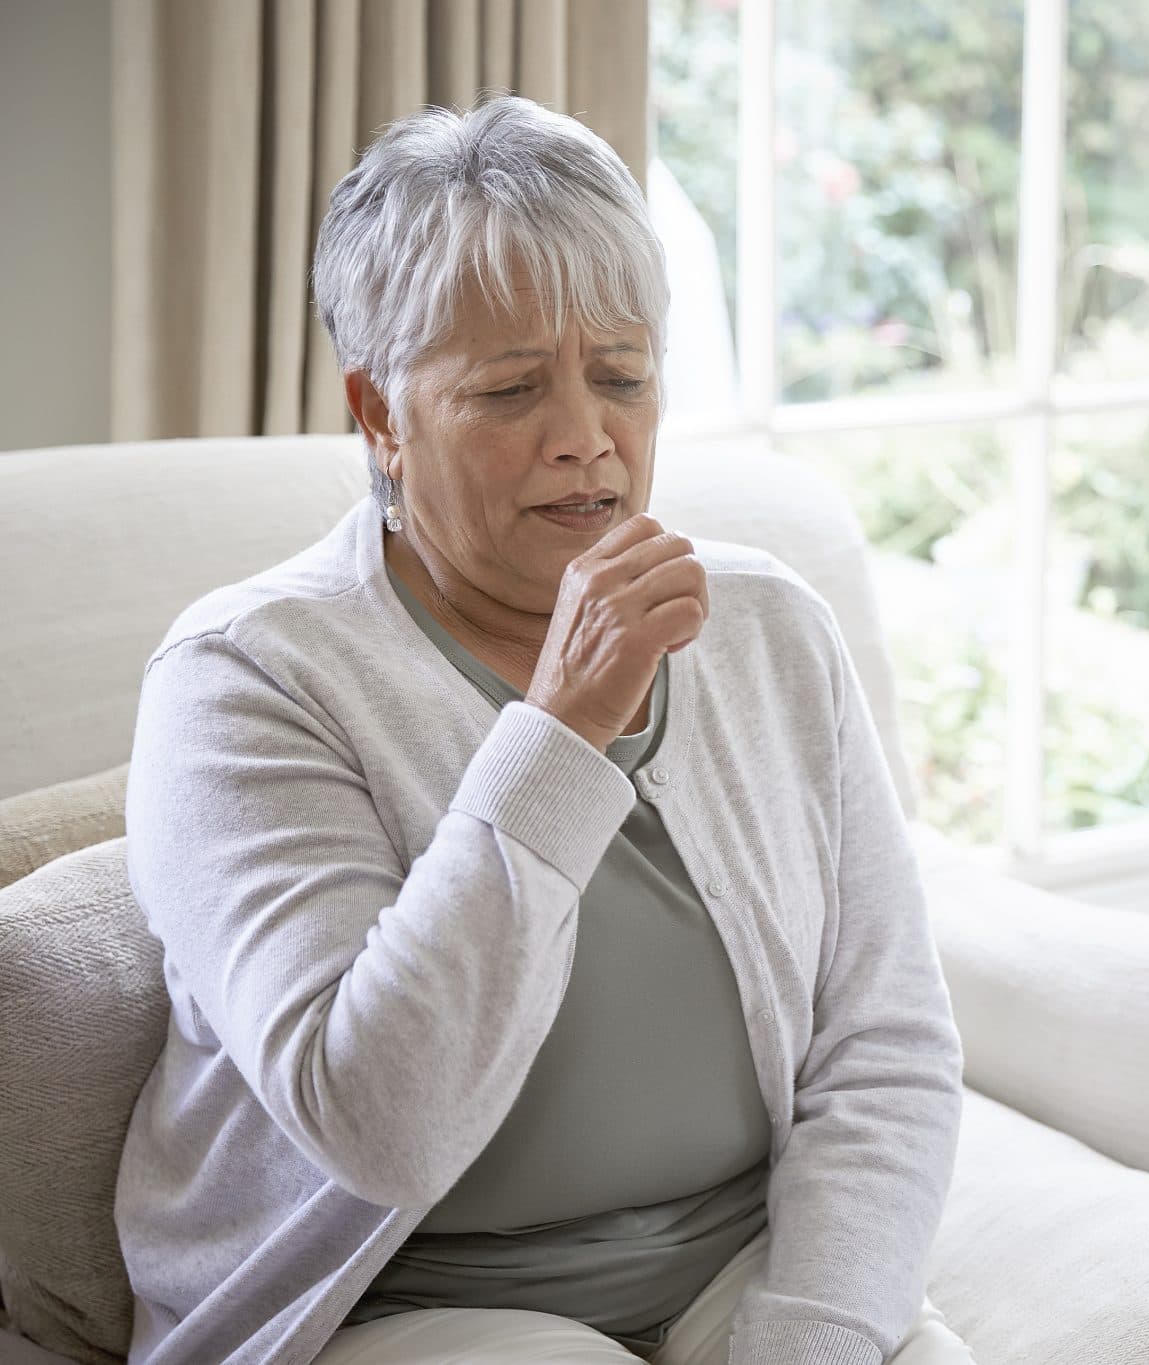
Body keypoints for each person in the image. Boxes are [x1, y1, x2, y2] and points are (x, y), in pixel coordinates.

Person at [113, 93, 973, 1365]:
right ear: (379, 417)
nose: (587, 440)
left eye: (622, 377)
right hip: (403, 1304)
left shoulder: (769, 627)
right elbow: (377, 1124)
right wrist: (560, 731)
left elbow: (888, 1044)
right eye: (512, 390)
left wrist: (813, 1334)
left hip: (740, 1258)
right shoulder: (242, 683)